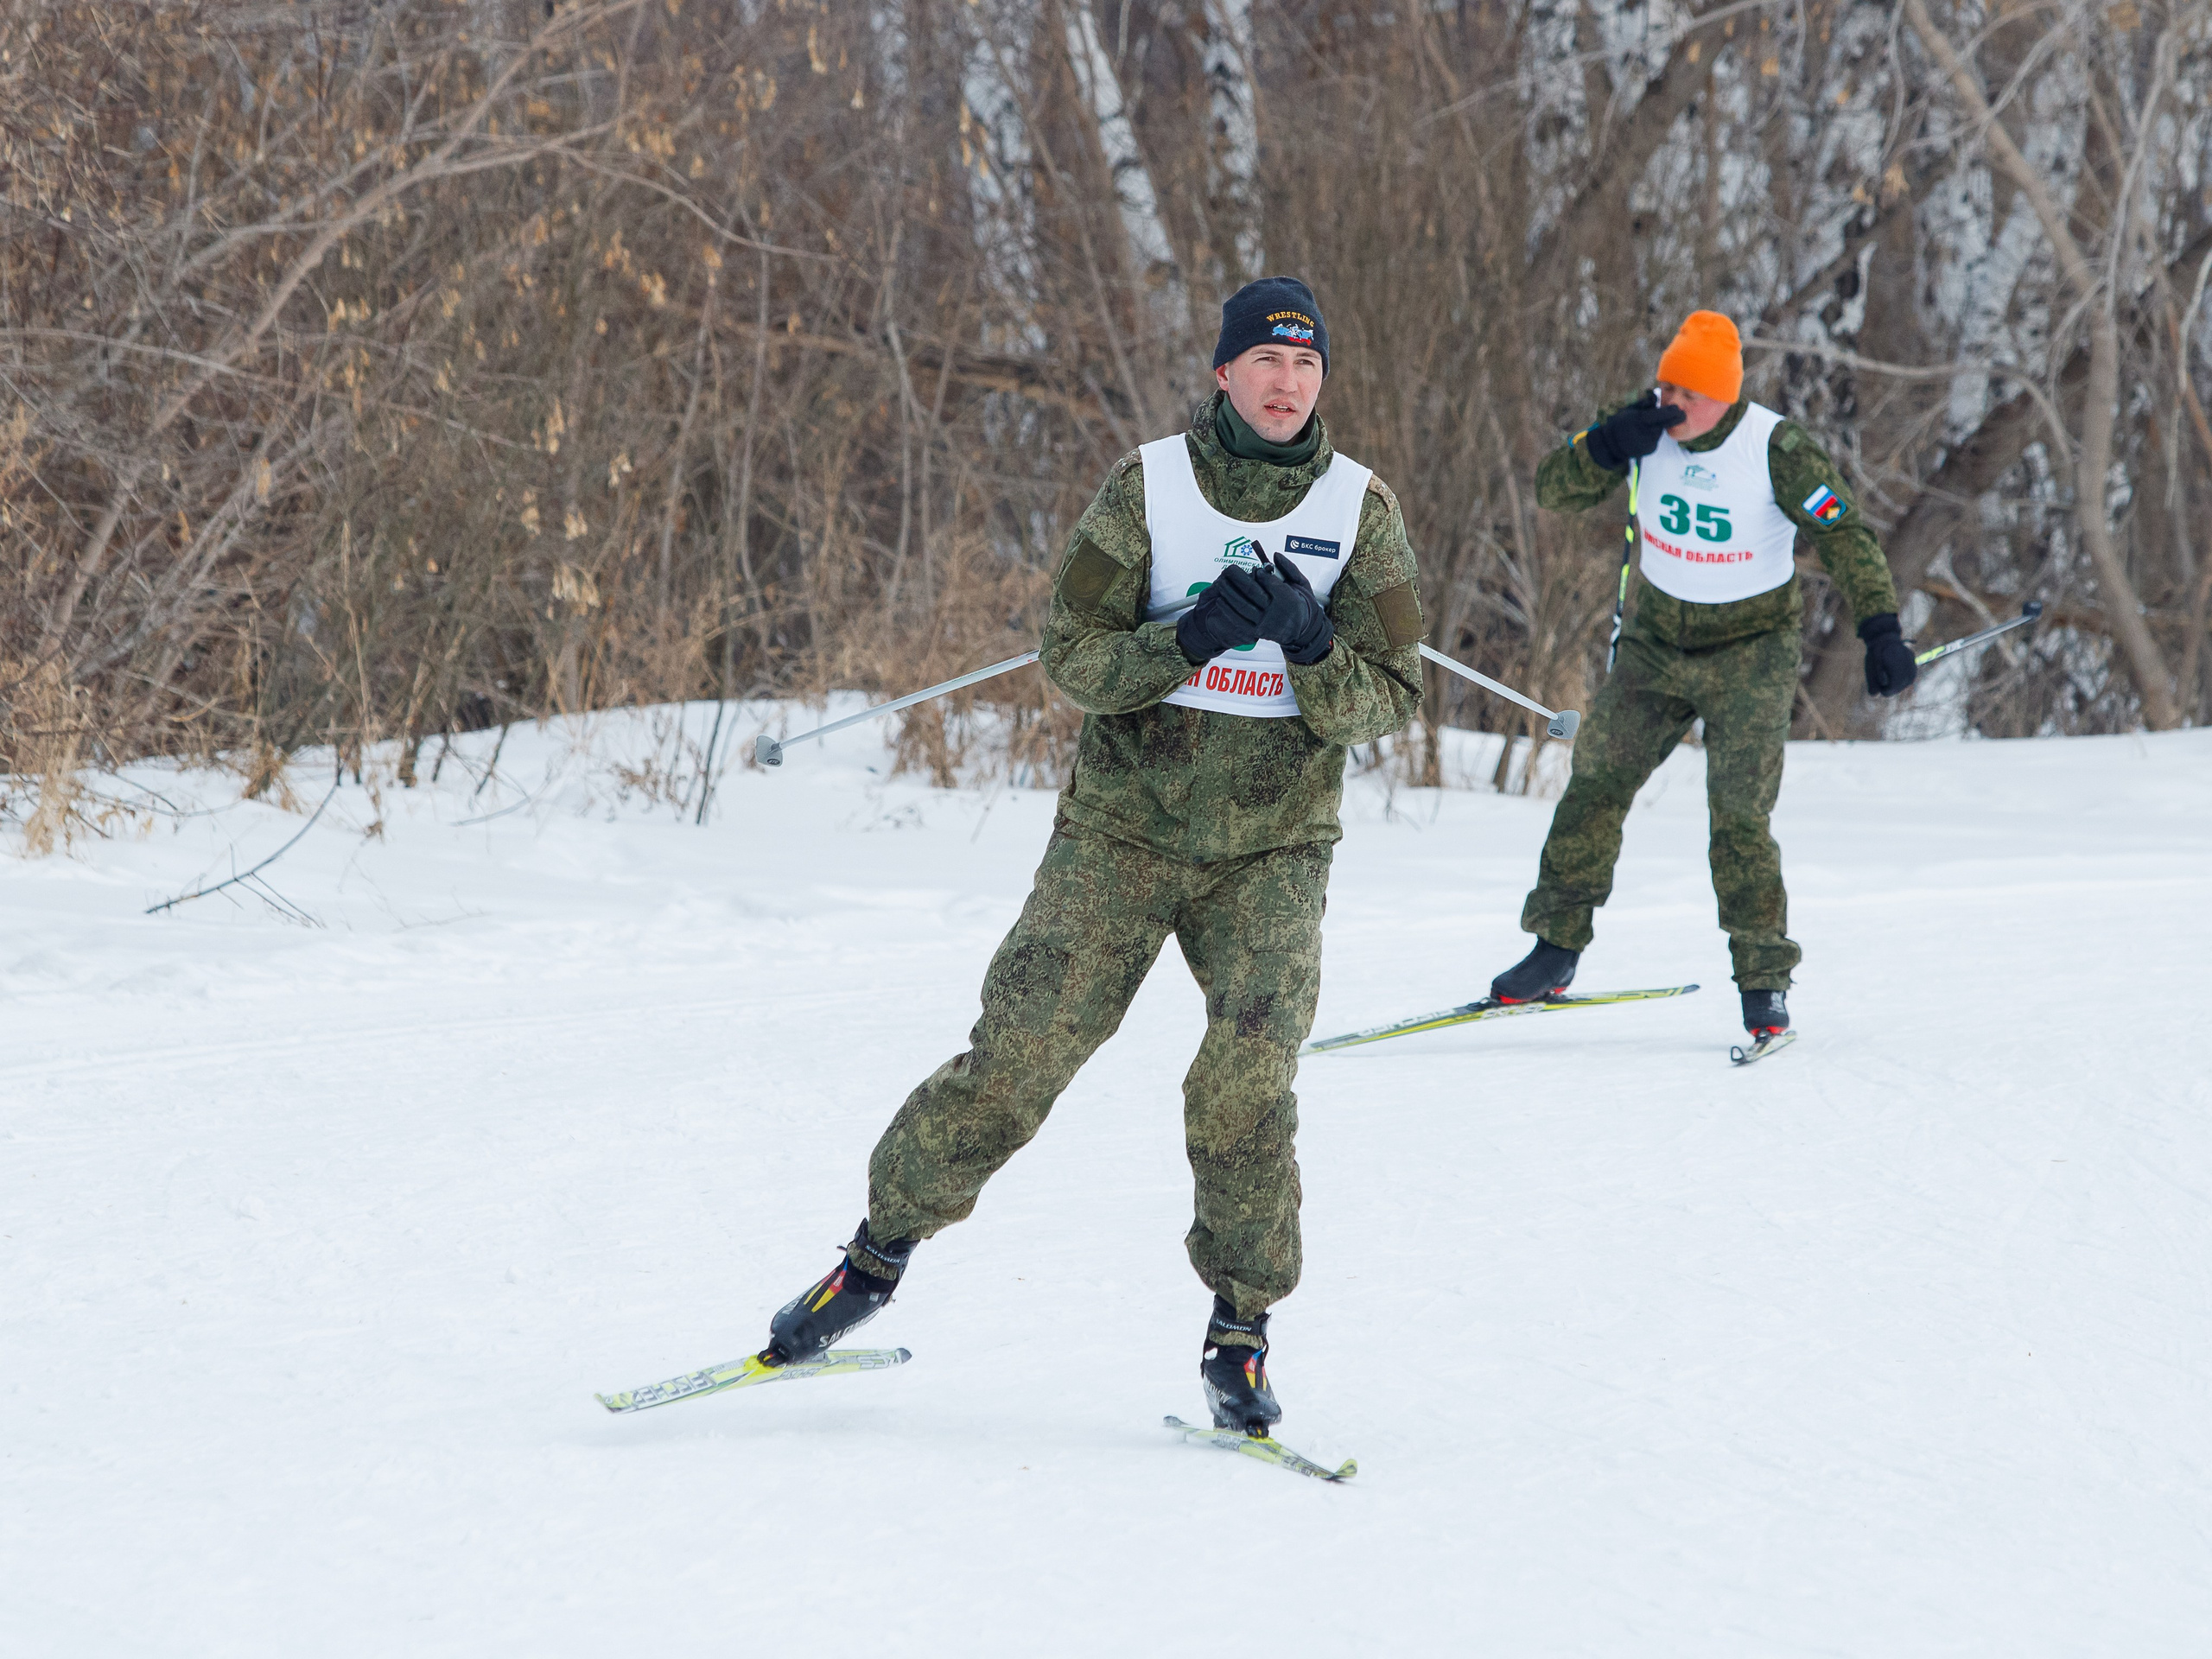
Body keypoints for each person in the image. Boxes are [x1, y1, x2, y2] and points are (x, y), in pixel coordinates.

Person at [758, 277, 1426, 1435]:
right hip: (1125, 831)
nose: (1286, 383)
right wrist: (1191, 637)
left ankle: (1240, 1333)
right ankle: (872, 1259)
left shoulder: (1361, 510)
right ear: (1224, 373)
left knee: (1248, 1083)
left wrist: (1315, 644)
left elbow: (1389, 701)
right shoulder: (1148, 487)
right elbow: (1069, 657)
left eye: (1306, 365)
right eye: (1265, 363)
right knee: (1021, 1052)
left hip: (1272, 845)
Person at [1489, 310, 1917, 1039]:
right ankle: (1555, 947)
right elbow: (1551, 491)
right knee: (1595, 780)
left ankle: (1763, 981)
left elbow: (1843, 534)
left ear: (1723, 398)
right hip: (1655, 645)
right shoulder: (1641, 427)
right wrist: (1602, 446)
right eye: (1664, 385)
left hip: (1751, 652)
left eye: (1686, 392)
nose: (1669, 402)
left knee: (1740, 819)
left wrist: (1880, 627)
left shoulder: (1774, 447)